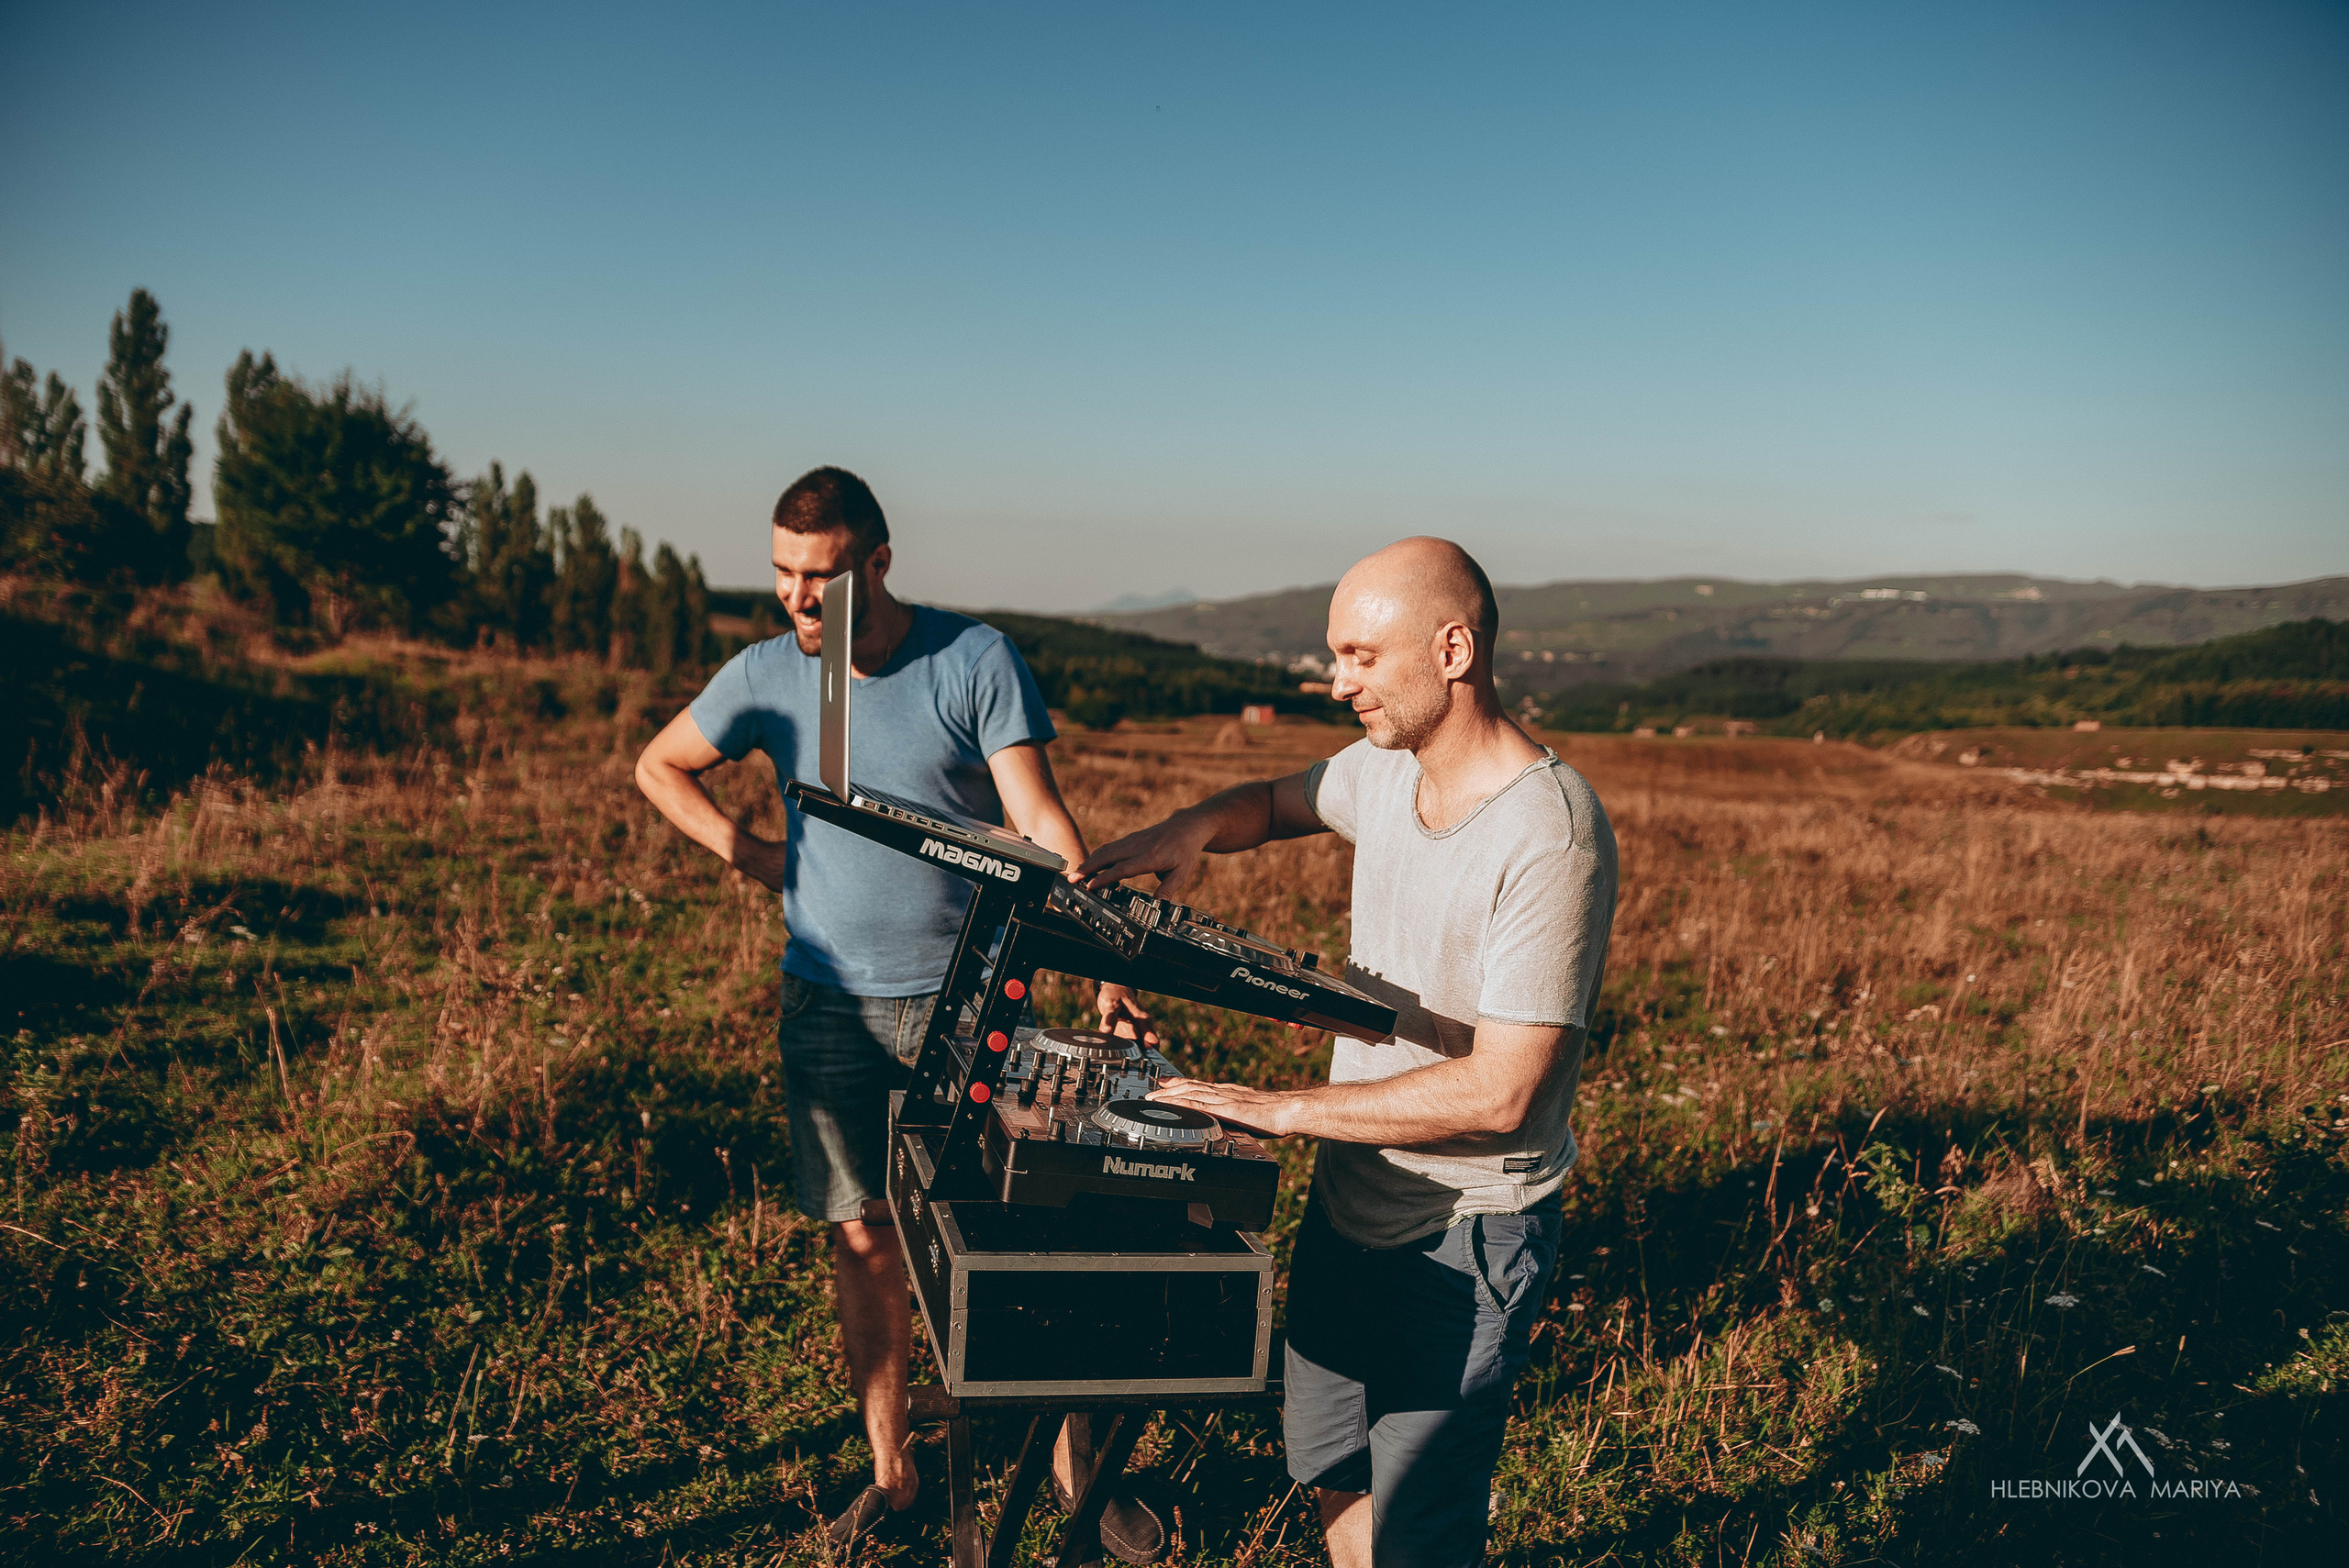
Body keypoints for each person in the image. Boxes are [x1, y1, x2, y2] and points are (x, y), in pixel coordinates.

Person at [635, 467, 1166, 1560]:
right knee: (864, 1237)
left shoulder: (971, 660)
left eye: (820, 574)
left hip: (972, 1003)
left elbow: (1041, 822)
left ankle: (1069, 1471)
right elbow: (661, 764)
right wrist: (758, 857)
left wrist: (1106, 963)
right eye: (782, 573)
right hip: (827, 1003)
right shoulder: (765, 676)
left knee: (1019, 1234)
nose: (798, 596)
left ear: (877, 561)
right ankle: (894, 1470)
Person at [1078, 537, 1617, 1568]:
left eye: (1362, 656)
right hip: (1347, 1201)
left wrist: (1281, 1110)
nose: (1339, 683)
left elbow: (1506, 1091)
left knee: (1422, 1531)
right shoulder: (1381, 770)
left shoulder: (1552, 835)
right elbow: (1279, 802)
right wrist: (1191, 828)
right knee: (1329, 1463)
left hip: (1463, 1236)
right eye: (1337, 656)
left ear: (1452, 649)